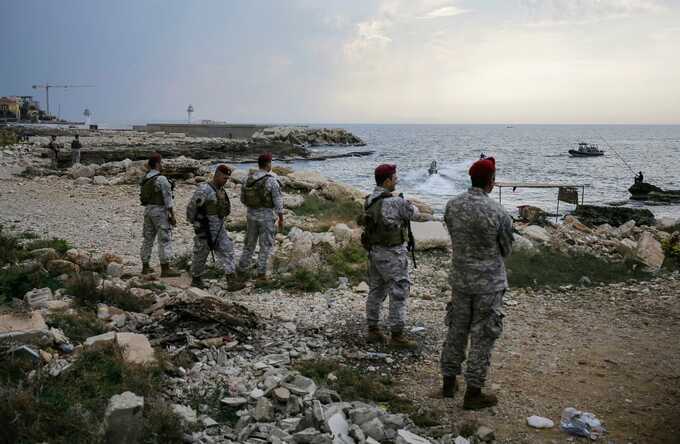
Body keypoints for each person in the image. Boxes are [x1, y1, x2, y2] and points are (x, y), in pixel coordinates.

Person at [440, 156, 513, 409]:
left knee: (456, 330)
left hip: (460, 280)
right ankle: (473, 393)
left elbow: (452, 233)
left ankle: (448, 384)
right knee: (483, 337)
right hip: (488, 285)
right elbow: (506, 248)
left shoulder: (452, 205)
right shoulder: (499, 212)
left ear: (471, 179)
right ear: (491, 182)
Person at [360, 164, 421, 349]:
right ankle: (396, 334)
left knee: (376, 290)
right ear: (387, 181)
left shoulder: (370, 199)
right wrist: (408, 203)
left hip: (374, 252)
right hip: (393, 254)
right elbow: (415, 214)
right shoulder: (395, 202)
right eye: (395, 178)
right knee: (399, 291)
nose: (397, 180)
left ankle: (373, 329)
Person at [186, 164, 245, 291]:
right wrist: (196, 225)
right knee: (200, 254)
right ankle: (196, 280)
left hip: (219, 229)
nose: (226, 181)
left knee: (227, 250)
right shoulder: (204, 190)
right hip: (205, 229)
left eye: (227, 178)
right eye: (224, 178)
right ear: (217, 175)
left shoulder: (221, 190)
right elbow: (192, 209)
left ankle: (231, 280)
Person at [237, 152, 284, 282]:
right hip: (267, 217)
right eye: (271, 163)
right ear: (268, 164)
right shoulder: (271, 180)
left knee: (249, 244)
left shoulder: (248, 179)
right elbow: (278, 202)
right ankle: (261, 275)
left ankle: (241, 269)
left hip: (251, 215)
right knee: (265, 246)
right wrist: (281, 218)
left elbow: (242, 199)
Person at [139, 153, 181, 277]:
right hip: (160, 211)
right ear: (157, 164)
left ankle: (145, 266)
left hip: (148, 210)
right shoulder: (161, 179)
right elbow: (168, 200)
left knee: (148, 239)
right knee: (164, 239)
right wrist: (172, 216)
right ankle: (165, 268)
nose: (161, 165)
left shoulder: (145, 178)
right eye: (161, 163)